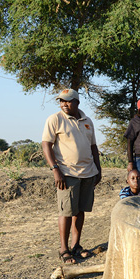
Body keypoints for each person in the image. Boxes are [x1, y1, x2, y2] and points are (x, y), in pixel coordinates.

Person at [41, 89, 101, 264]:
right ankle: (64, 249)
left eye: (67, 101)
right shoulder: (55, 119)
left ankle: (76, 246)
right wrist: (55, 169)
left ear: (77, 102)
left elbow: (93, 148)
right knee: (66, 212)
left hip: (88, 173)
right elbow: (46, 145)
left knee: (80, 211)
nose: (64, 104)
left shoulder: (87, 121)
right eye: (61, 101)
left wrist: (98, 169)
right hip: (67, 173)